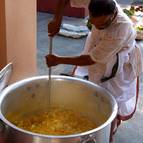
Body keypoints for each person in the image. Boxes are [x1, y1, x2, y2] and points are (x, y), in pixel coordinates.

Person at [47, 0, 143, 142]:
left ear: (113, 15)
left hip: (118, 60)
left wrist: (58, 60)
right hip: (98, 45)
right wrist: (57, 19)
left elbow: (91, 59)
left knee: (112, 97)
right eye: (93, 22)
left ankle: (110, 127)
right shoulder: (94, 1)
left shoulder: (122, 29)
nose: (98, 26)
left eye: (103, 25)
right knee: (95, 85)